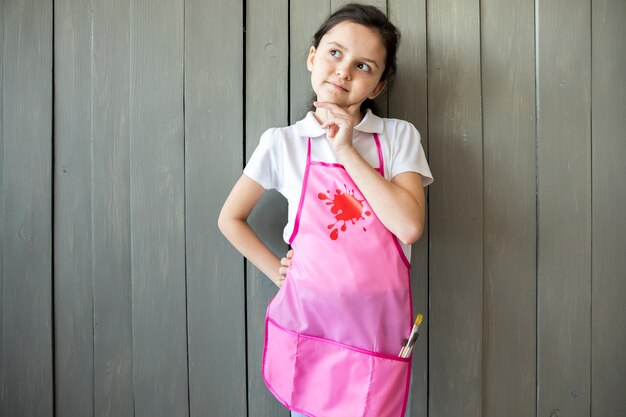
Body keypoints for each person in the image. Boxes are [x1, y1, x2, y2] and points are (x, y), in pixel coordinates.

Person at [218, 3, 433, 416]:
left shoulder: (397, 137)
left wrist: (345, 148)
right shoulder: (283, 143)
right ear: (312, 56)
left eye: (364, 66)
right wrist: (279, 274)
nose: (344, 70)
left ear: (378, 87)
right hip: (309, 324)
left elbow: (408, 226)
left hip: (377, 331)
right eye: (335, 53)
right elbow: (230, 218)